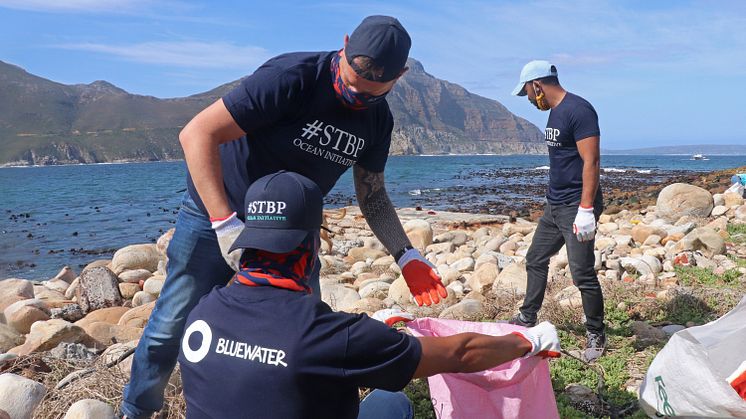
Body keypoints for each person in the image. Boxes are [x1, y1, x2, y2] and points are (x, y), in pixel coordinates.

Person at [121, 16, 447, 419]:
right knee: (171, 323)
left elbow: (373, 193)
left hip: (292, 234)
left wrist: (405, 254)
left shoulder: (377, 121)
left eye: (368, 93)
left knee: (299, 338)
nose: (354, 95)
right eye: (350, 81)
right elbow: (197, 134)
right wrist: (224, 223)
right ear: (343, 45)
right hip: (218, 213)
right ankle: (136, 410)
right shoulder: (291, 77)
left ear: (400, 75)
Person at [178, 170, 562, 418]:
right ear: (310, 246)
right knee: (391, 402)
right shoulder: (325, 335)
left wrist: (372, 332)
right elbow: (460, 354)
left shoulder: (203, 313)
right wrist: (526, 341)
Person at [507, 60, 606, 362]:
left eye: (527, 93)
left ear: (537, 85)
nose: (528, 100)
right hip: (555, 205)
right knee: (535, 258)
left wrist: (586, 209)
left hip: (577, 206)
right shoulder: (554, 113)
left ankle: (596, 333)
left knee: (582, 274)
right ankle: (527, 318)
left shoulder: (579, 110)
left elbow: (592, 161)